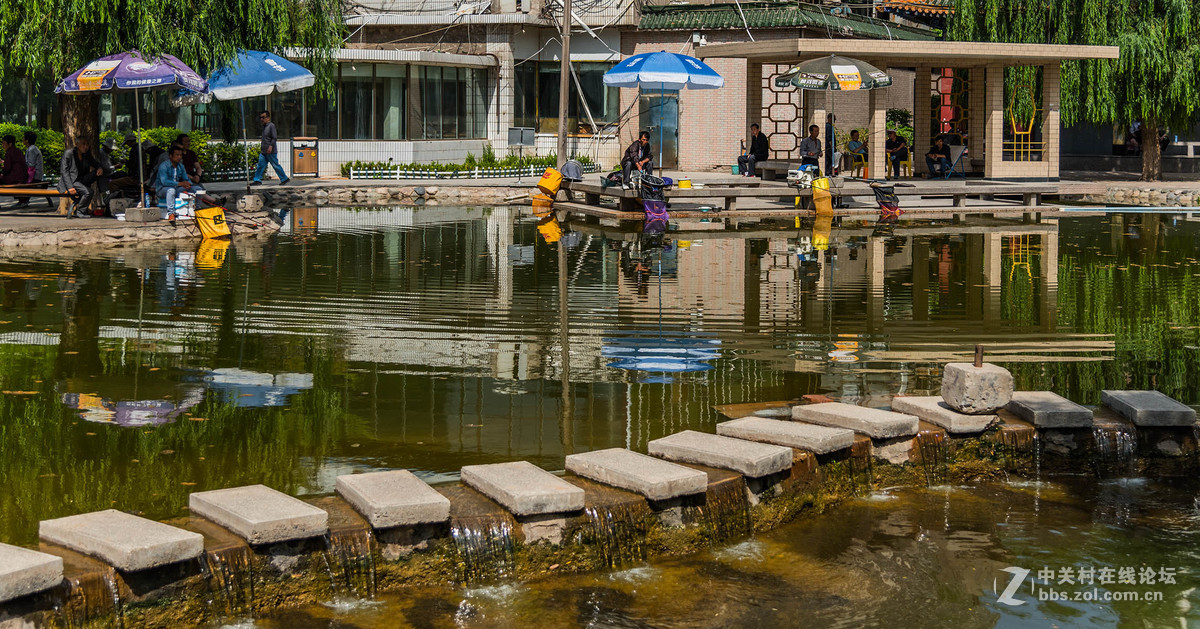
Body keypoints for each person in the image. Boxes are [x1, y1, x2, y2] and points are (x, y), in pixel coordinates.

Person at [156, 144, 222, 212]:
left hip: (177, 188)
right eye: (177, 155)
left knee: (197, 189)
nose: (179, 157)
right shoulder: (164, 166)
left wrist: (188, 184)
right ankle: (171, 212)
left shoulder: (180, 166)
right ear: (170, 156)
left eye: (180, 155)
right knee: (171, 190)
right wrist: (180, 183)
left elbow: (186, 178)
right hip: (163, 189)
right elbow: (164, 182)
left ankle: (197, 209)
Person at [58, 136, 105, 218]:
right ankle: (80, 211)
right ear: (77, 144)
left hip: (82, 180)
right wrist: (70, 187)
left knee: (99, 174)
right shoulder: (69, 153)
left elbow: (94, 163)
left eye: (87, 144)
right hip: (72, 181)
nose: (86, 146)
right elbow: (64, 171)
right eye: (83, 144)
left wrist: (99, 168)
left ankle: (105, 192)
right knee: (88, 192)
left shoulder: (86, 154)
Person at [252, 110, 290, 185]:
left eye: (263, 117)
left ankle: (284, 178)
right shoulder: (264, 127)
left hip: (270, 151)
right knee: (260, 165)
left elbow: (274, 137)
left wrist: (270, 146)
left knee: (275, 165)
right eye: (260, 117)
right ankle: (257, 180)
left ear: (268, 118)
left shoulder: (271, 126)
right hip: (263, 151)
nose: (261, 119)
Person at [16, 131, 41, 207]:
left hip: (34, 176)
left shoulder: (31, 150)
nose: (22, 139)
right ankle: (23, 200)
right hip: (34, 175)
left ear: (27, 140)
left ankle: (23, 200)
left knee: (17, 180)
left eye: (23, 138)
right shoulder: (31, 149)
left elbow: (30, 165)